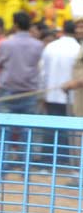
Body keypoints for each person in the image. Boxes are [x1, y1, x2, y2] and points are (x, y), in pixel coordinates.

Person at [0, 11, 44, 165]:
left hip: (8, 92)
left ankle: (3, 167)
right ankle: (26, 168)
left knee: (5, 131)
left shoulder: (6, 43)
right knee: (27, 132)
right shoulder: (38, 45)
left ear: (15, 24)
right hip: (30, 92)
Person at [40, 19, 80, 161]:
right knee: (67, 130)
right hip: (71, 96)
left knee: (50, 128)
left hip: (51, 94)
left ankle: (47, 160)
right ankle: (63, 160)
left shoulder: (50, 46)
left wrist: (43, 93)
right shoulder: (77, 49)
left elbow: (42, 72)